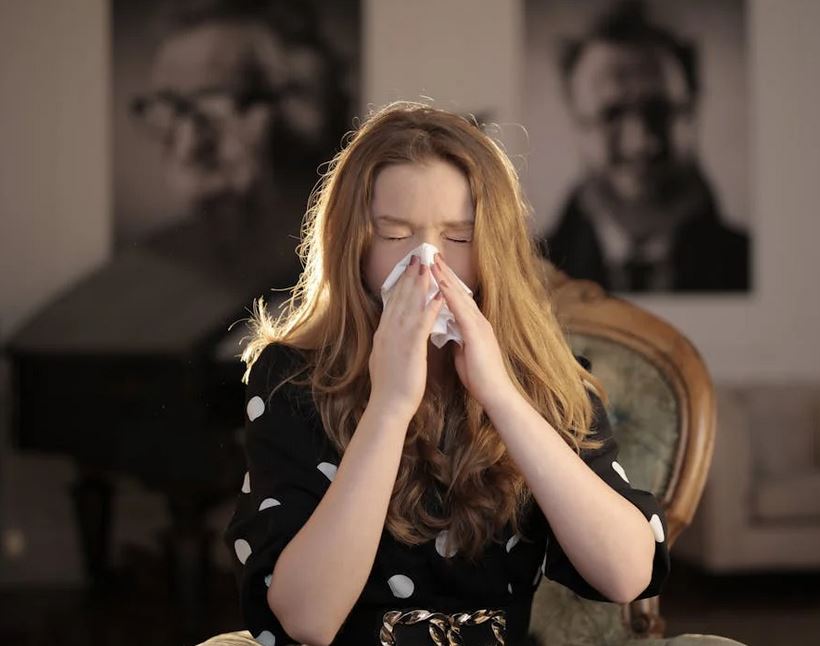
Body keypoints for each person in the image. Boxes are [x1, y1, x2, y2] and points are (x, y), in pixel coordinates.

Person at [222, 102, 670, 646]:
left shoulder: (546, 380)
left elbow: (626, 575)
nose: (427, 262)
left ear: (493, 249)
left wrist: (501, 396)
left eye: (458, 238)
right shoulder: (291, 380)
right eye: (395, 234)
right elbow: (308, 620)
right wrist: (390, 406)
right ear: (353, 245)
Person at [127, 0, 351, 295]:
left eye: (215, 107)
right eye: (170, 109)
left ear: (305, 113)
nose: (187, 145)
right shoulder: (154, 272)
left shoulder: (351, 267)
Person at [544, 0, 751, 293]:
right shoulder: (526, 271)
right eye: (611, 114)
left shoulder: (746, 264)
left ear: (693, 111)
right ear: (574, 119)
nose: (640, 142)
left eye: (660, 111)